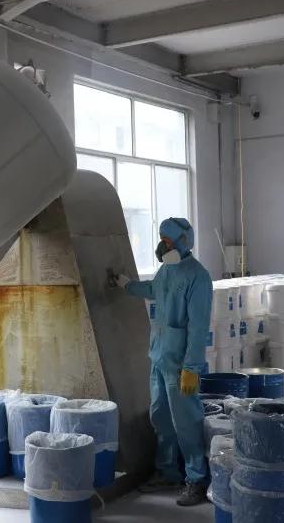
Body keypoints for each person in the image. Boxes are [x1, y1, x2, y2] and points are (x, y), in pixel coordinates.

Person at [116, 217, 212, 506]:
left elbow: (199, 327)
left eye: (168, 242)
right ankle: (168, 472)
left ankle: (196, 480)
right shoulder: (166, 270)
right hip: (159, 357)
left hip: (180, 364)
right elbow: (153, 290)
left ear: (184, 242)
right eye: (162, 241)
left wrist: (192, 367)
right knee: (160, 418)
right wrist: (127, 286)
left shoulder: (198, 277)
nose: (163, 247)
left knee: (187, 423)